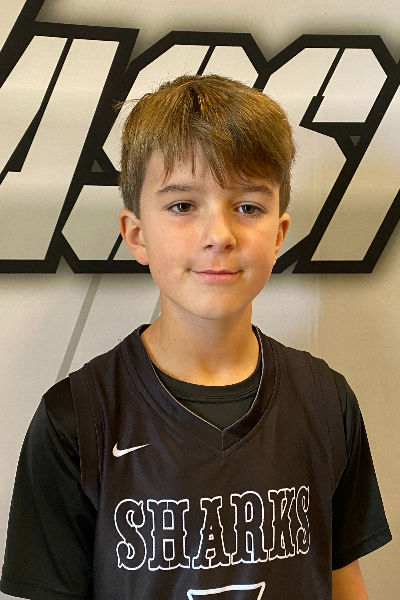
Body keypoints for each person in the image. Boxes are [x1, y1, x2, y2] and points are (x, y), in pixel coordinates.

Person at [0, 75, 391, 600]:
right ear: (137, 234)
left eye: (248, 207)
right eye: (183, 205)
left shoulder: (326, 401)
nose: (219, 236)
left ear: (278, 234)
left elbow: (343, 579)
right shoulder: (76, 418)